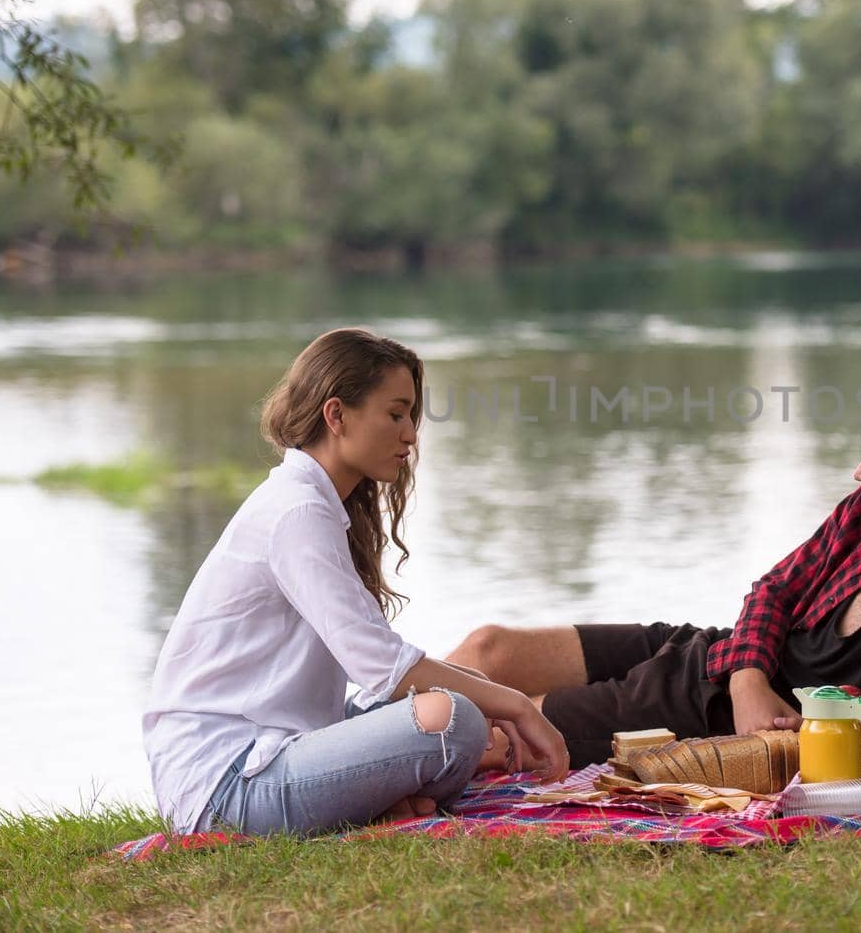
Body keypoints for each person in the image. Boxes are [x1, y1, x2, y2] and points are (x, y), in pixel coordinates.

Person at [448, 373, 861, 769]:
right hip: (712, 653)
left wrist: (766, 727)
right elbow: (775, 590)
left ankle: (365, 763)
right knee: (489, 649)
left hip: (695, 718)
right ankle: (362, 724)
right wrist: (749, 680)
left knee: (496, 729)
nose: (859, 472)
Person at [142, 328, 569, 837]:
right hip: (227, 785)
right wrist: (517, 704)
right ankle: (379, 801)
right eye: (395, 414)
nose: (410, 433)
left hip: (274, 746)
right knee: (453, 721)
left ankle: (379, 802)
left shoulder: (314, 503)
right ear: (337, 415)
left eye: (411, 416)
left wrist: (492, 700)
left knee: (458, 715)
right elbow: (384, 666)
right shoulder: (297, 511)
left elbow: (375, 679)